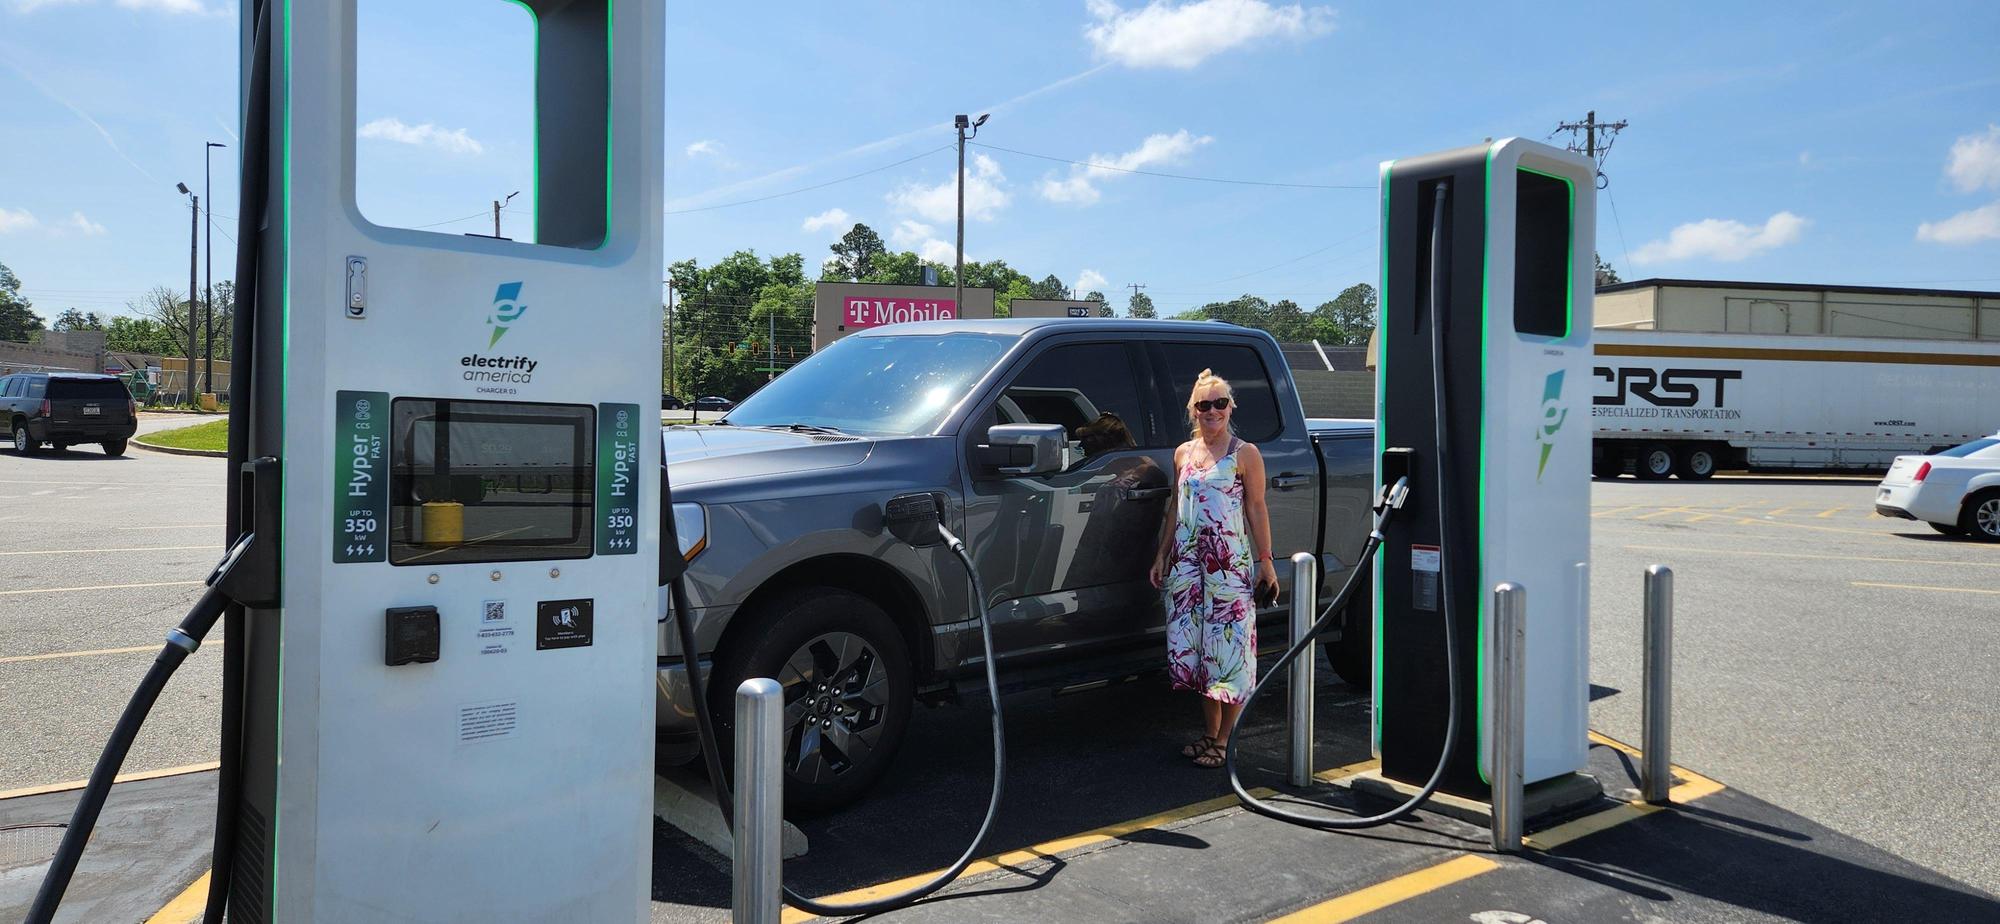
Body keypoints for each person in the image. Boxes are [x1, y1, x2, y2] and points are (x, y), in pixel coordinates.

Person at [1149, 369, 1278, 768]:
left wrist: (1266, 562)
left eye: (1220, 403)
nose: (1212, 411)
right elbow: (1175, 507)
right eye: (1204, 404)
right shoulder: (1184, 453)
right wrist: (1162, 554)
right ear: (1193, 410)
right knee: (1198, 649)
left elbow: (1256, 507)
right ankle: (1209, 732)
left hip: (1227, 566)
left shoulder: (1245, 453)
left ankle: (1226, 738)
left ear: (1230, 407)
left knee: (1230, 650)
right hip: (1188, 565)